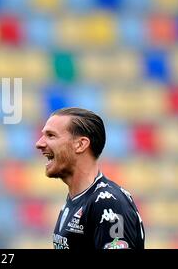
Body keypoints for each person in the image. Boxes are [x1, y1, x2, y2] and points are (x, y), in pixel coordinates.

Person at [35, 107, 145, 249]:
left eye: (51, 135)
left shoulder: (108, 203)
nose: (39, 143)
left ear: (80, 144)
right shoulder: (76, 201)